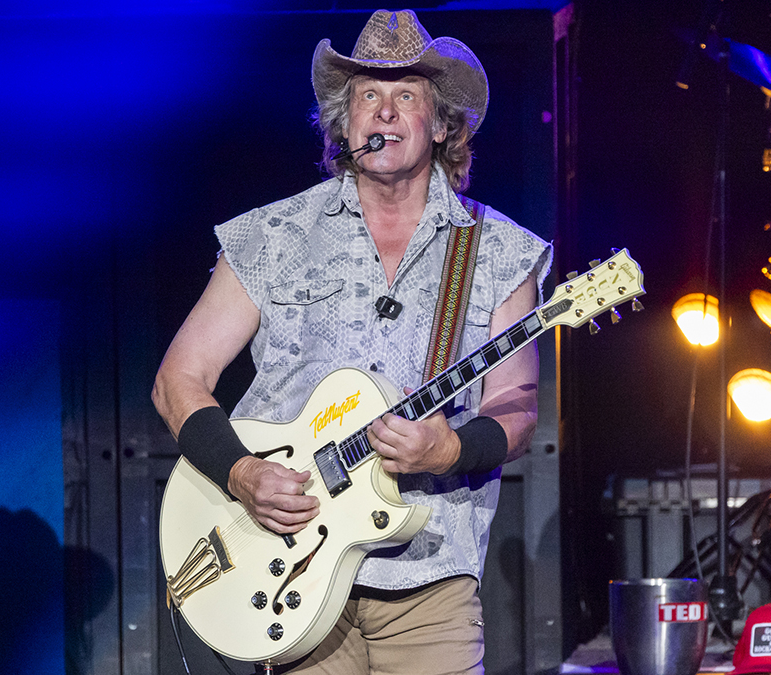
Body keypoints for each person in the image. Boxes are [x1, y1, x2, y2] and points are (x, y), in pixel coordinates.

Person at [152, 9, 551, 674]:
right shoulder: (272, 236)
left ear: (445, 125)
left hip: (431, 577)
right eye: (368, 95)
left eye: (406, 96)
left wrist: (449, 446)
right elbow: (178, 379)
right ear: (344, 125)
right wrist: (242, 472)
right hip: (291, 571)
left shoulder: (498, 251)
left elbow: (517, 405)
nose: (385, 112)